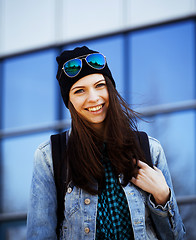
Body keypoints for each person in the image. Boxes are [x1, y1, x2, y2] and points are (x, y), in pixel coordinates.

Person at [27, 46, 186, 240]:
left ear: (110, 88)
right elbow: (39, 235)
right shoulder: (50, 156)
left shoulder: (149, 149)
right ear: (69, 102)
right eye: (79, 91)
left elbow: (176, 237)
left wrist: (162, 196)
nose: (93, 98)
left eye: (100, 85)